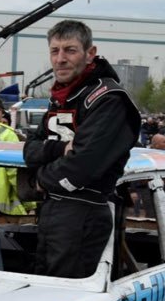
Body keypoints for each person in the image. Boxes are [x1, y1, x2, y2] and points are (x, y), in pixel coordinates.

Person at [23, 20, 141, 278]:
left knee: (63, 299)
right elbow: (29, 149)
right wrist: (59, 149)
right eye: (55, 51)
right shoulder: (62, 95)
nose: (61, 59)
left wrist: (39, 180)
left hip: (84, 213)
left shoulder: (109, 99)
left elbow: (81, 167)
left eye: (70, 50)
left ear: (90, 53)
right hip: (50, 211)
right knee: (41, 289)